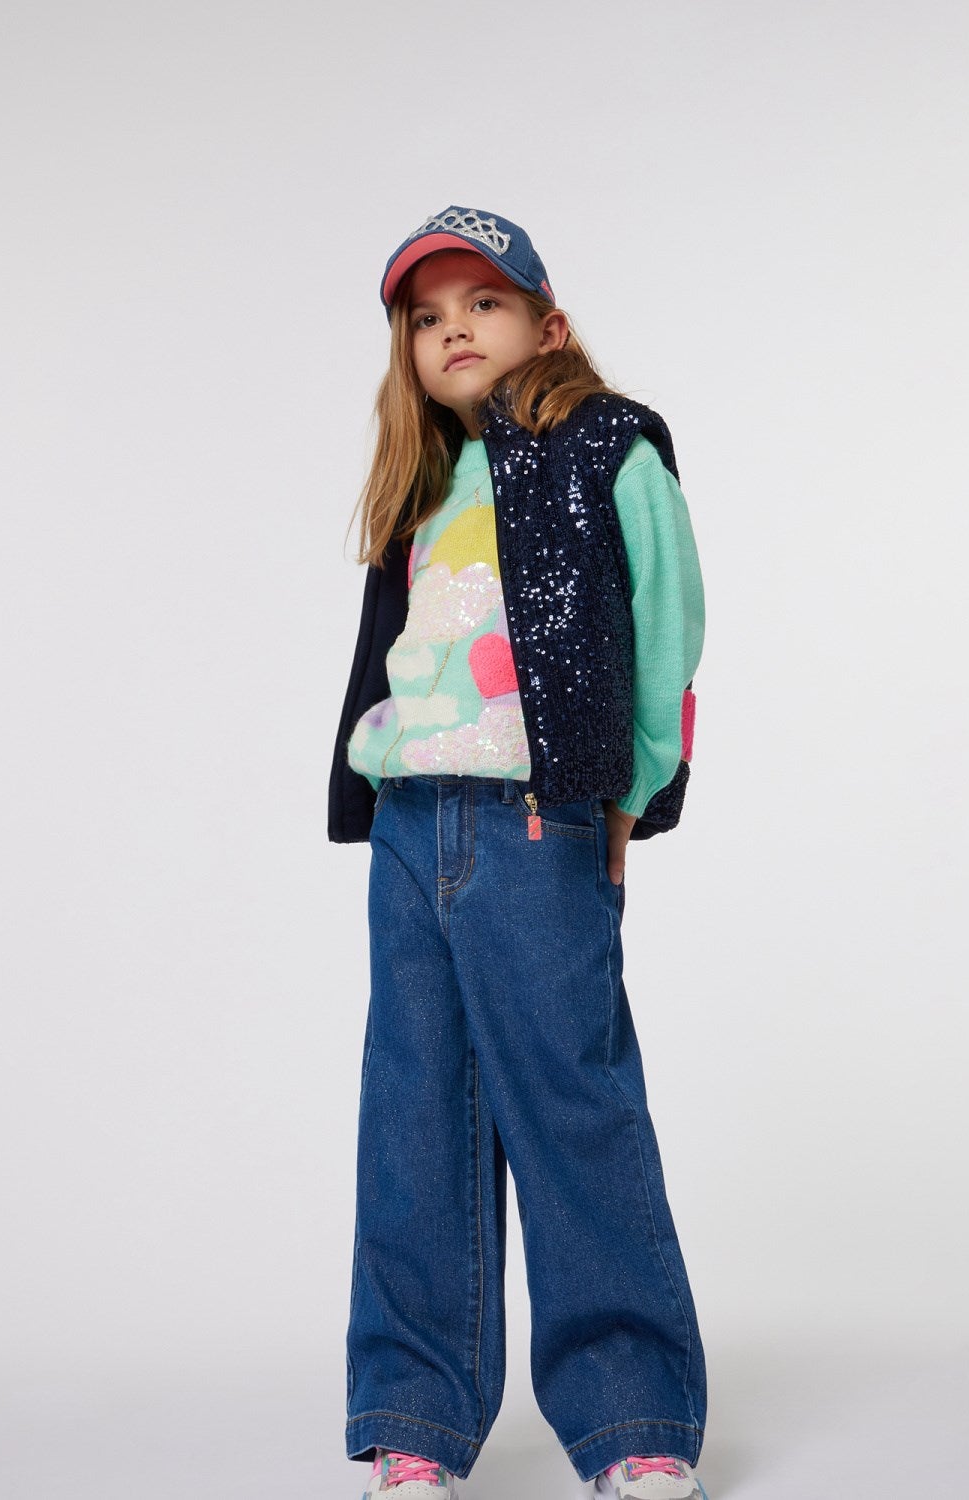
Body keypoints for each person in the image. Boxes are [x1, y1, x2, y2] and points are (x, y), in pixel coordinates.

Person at [328, 206, 709, 1500]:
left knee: (570, 1108)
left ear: (547, 323)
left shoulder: (608, 444)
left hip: (537, 820)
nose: (454, 330)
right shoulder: (425, 487)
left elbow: (666, 624)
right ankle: (414, 1425)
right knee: (413, 1117)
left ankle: (634, 1418)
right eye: (427, 318)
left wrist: (630, 799)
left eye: (482, 303)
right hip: (411, 825)